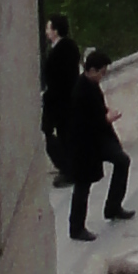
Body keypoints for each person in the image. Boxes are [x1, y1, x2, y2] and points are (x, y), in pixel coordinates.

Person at [64, 45, 134, 237]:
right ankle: (76, 228)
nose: (103, 76)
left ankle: (113, 207)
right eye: (101, 72)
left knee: (122, 161)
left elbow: (96, 109)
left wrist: (105, 113)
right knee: (83, 185)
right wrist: (107, 119)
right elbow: (84, 122)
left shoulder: (92, 85)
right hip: (85, 144)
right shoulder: (79, 91)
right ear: (92, 70)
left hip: (99, 139)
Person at [40, 11, 81, 179]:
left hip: (60, 103)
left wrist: (48, 96)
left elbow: (58, 81)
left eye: (48, 28)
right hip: (64, 101)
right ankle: (68, 168)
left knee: (58, 136)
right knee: (63, 136)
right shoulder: (68, 48)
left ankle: (68, 169)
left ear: (55, 31)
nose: (46, 32)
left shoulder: (61, 51)